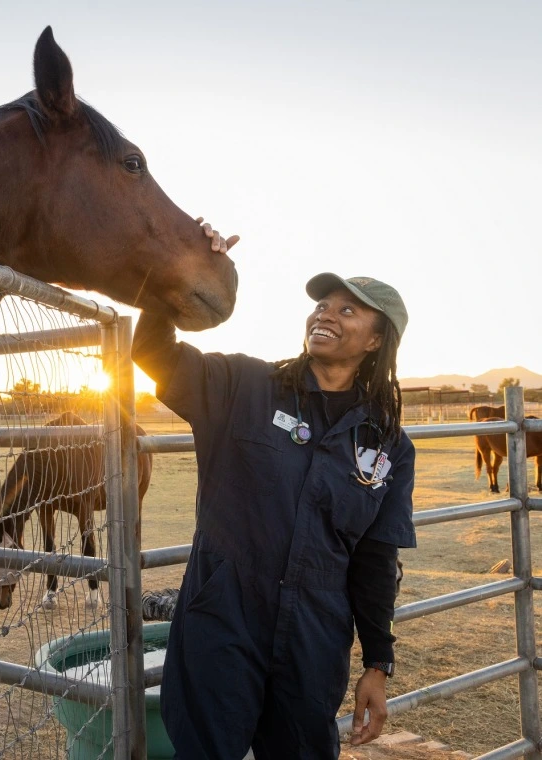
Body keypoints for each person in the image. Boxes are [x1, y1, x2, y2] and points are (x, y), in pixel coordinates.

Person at [132, 222, 415, 759]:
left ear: (377, 340)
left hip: (314, 636)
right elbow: (152, 351)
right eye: (322, 305)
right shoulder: (243, 386)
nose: (325, 313)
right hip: (222, 619)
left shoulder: (388, 446)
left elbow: (375, 559)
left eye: (348, 310)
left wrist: (378, 663)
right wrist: (185, 266)